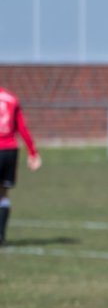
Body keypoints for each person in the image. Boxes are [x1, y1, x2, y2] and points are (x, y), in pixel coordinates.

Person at [0, 84, 42, 245]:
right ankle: (1, 235)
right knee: (3, 194)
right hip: (10, 150)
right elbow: (22, 128)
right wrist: (33, 152)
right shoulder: (12, 99)